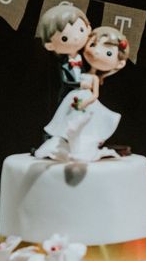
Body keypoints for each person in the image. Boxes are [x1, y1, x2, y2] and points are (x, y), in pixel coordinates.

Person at [34, 26, 129, 162]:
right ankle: (61, 143)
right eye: (93, 44)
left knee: (85, 124)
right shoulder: (79, 68)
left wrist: (85, 102)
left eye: (108, 53)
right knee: (66, 120)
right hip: (73, 98)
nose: (96, 52)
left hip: (86, 102)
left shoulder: (95, 78)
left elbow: (95, 95)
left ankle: (81, 146)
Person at [37, 2, 92, 103]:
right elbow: (67, 82)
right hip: (69, 98)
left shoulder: (81, 58)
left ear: (88, 29)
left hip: (81, 95)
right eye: (65, 38)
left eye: (81, 30)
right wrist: (80, 84)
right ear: (50, 45)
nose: (76, 38)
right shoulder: (66, 62)